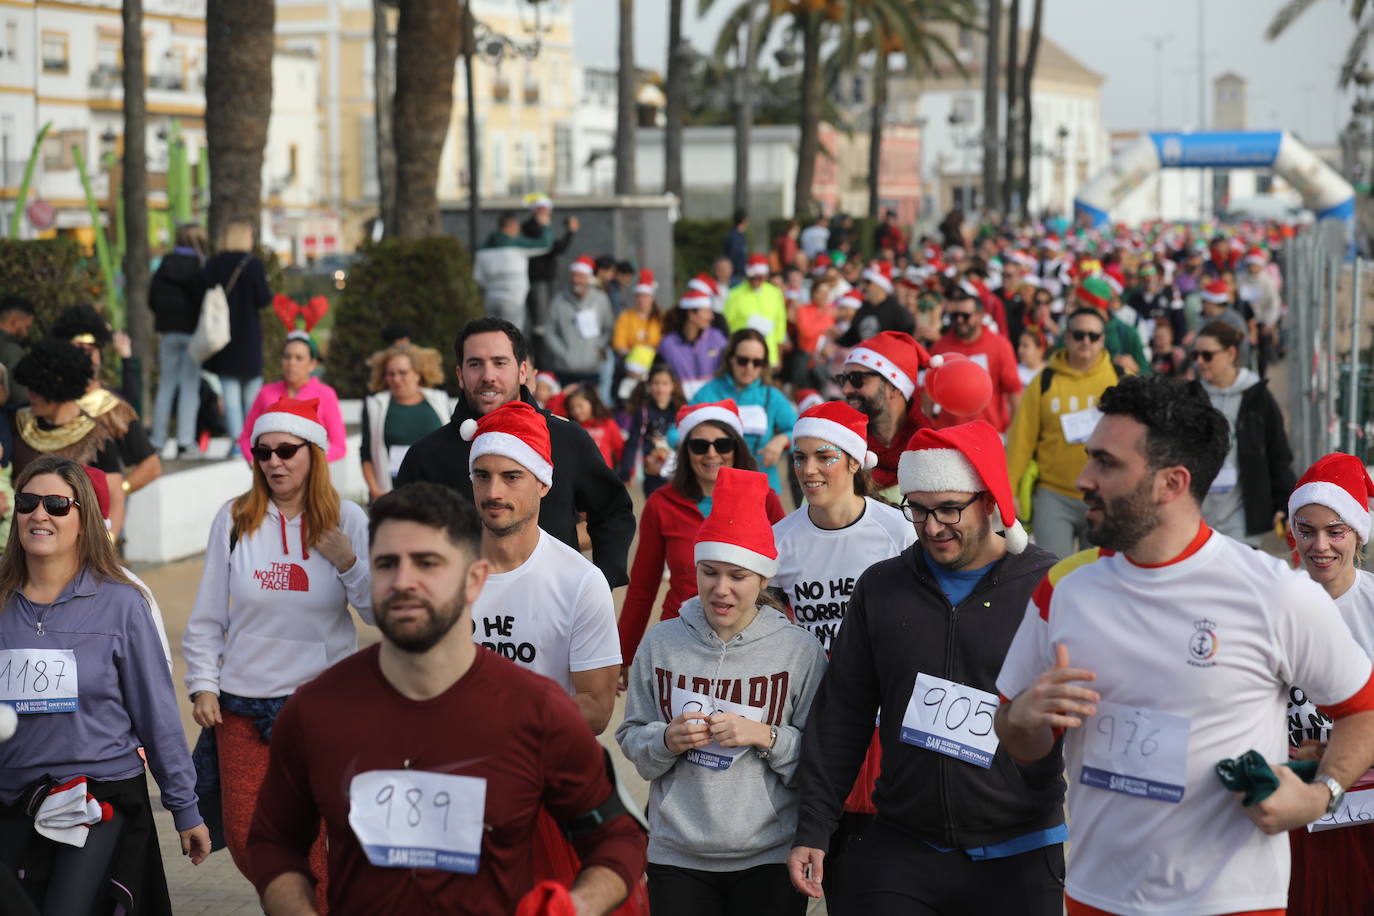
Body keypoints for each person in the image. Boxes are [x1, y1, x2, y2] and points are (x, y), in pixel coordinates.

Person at [994, 374, 1374, 916]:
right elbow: (1020, 740)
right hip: (1097, 899)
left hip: (1232, 902)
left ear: (1171, 483)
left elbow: (1363, 712)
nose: (1083, 479)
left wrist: (1320, 795)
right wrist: (1022, 719)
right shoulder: (1065, 589)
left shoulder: (1275, 593)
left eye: (1106, 463)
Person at [246, 482, 647, 915]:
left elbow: (619, 838)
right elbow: (273, 842)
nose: (404, 582)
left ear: (474, 580)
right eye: (386, 564)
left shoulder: (537, 711)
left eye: (427, 563)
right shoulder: (316, 710)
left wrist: (574, 906)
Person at [790, 421, 1064, 915]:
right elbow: (843, 712)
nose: (932, 527)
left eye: (949, 509)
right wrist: (814, 825)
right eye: (917, 509)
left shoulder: (1047, 587)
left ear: (989, 501)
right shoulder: (882, 586)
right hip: (905, 845)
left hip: (1020, 849)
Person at [183, 398, 373, 907]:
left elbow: (380, 612)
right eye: (263, 452)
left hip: (320, 708)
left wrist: (350, 562)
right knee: (248, 837)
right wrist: (203, 685)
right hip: (242, 706)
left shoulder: (347, 518)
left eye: (287, 450)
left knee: (315, 841)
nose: (274, 462)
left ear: (314, 453)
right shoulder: (234, 518)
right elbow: (207, 616)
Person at [0, 456, 211, 913]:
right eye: (28, 502)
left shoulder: (122, 603)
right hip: (13, 796)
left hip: (100, 796)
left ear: (84, 519)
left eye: (57, 505)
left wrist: (185, 809)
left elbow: (157, 717)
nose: (39, 514)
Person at [618, 467, 826, 916]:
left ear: (764, 579)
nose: (721, 589)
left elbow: (820, 759)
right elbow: (631, 736)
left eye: (738, 576)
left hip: (770, 854)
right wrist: (665, 739)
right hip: (677, 854)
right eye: (709, 572)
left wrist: (765, 735)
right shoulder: (661, 642)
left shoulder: (799, 651)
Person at [395, 317, 635, 587]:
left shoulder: (566, 439)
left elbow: (613, 511)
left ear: (523, 371)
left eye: (500, 362)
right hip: (463, 608)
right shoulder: (426, 455)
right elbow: (401, 536)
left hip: (554, 604)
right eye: (475, 364)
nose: (488, 376)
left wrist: (601, 582)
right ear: (460, 375)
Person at [462, 399, 621, 734]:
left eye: (511, 477)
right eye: (482, 476)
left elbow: (597, 708)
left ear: (543, 483)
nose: (493, 492)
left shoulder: (581, 581)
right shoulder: (441, 571)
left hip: (540, 761)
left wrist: (503, 716)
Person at [618, 401, 786, 681]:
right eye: (699, 446)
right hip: (680, 642)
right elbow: (642, 588)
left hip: (750, 643)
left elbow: (785, 579)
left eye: (722, 444)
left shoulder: (764, 498)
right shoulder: (661, 504)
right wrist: (623, 654)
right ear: (685, 451)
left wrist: (787, 641)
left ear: (736, 448)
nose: (711, 453)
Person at [1285, 454, 1374, 915]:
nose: (1319, 545)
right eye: (1307, 531)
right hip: (1295, 807)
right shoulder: (1273, 606)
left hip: (1366, 808)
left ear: (1357, 533)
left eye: (1335, 531)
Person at [771, 401, 914, 654]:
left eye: (824, 457)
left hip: (880, 674)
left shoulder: (899, 530)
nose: (808, 470)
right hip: (813, 677)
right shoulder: (779, 539)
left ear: (855, 462)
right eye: (800, 458)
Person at [1006, 308, 1121, 560]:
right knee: (1052, 571)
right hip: (1053, 495)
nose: (1086, 341)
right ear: (1067, 337)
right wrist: (1009, 491)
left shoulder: (1121, 379)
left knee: (1099, 574)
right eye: (1079, 335)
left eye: (1093, 335)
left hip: (1106, 495)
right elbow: (1021, 440)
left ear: (1102, 339)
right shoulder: (1044, 381)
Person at [11, 340, 128, 534]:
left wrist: (105, 544)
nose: (29, 394)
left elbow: (115, 499)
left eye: (37, 388)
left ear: (58, 386)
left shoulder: (96, 438)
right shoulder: (15, 422)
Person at [1193, 320, 1294, 546]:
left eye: (1207, 355)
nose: (1199, 362)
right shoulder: (1193, 397)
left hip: (1241, 521)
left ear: (1231, 353)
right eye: (1195, 355)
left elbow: (1277, 453)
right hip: (1197, 518)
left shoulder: (1257, 396)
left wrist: (1283, 503)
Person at [52, 304, 163, 502]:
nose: (84, 356)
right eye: (78, 349)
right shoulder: (48, 403)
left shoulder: (113, 408)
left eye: (90, 350)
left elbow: (151, 467)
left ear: (100, 354)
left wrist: (113, 495)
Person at [689, 329, 798, 496]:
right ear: (730, 359)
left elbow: (801, 432)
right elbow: (678, 430)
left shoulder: (771, 396)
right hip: (714, 489)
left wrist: (782, 439)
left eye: (757, 362)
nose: (749, 367)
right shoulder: (709, 392)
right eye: (743, 360)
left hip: (762, 489)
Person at [836, 331, 932, 503]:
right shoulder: (838, 448)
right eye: (844, 379)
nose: (846, 390)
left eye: (857, 379)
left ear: (894, 387)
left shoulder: (931, 450)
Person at [203, 219, 272, 455]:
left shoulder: (214, 264)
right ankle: (253, 441)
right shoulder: (253, 265)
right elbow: (264, 299)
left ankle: (236, 443)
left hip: (223, 337)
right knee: (252, 395)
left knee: (230, 396)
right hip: (249, 336)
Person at [238, 332, 348, 465]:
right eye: (287, 357)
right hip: (272, 473)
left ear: (312, 364)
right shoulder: (265, 393)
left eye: (299, 358)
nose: (291, 363)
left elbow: (339, 445)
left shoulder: (325, 394)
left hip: (312, 476)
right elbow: (246, 437)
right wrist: (255, 461)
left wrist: (311, 461)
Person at [360, 344, 449, 502]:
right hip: (392, 494)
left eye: (402, 373)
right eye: (390, 374)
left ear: (417, 373)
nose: (396, 379)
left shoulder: (440, 401)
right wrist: (375, 491)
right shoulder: (375, 405)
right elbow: (366, 454)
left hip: (437, 493)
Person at [149, 222, 208, 456]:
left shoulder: (164, 265)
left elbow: (152, 298)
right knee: (189, 388)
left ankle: (158, 441)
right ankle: (185, 442)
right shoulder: (200, 266)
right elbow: (203, 300)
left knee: (166, 386)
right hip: (192, 333)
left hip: (168, 332)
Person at [931, 285, 1022, 433]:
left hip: (989, 431)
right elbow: (928, 391)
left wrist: (1016, 430)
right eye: (954, 315)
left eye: (965, 316)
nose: (959, 320)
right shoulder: (941, 347)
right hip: (949, 432)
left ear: (980, 316)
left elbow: (1014, 390)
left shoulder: (1000, 346)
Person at [521, 197, 578, 366]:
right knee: (539, 322)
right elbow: (547, 246)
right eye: (542, 210)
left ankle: (546, 358)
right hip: (537, 279)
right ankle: (538, 360)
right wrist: (546, 227)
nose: (545, 214)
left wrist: (570, 232)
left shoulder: (545, 228)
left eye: (547, 211)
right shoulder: (529, 228)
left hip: (548, 278)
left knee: (550, 319)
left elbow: (557, 248)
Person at [473, 212, 552, 332]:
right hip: (513, 299)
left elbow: (478, 278)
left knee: (492, 334)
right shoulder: (516, 245)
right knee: (512, 335)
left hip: (491, 298)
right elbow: (545, 244)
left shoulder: (482, 249)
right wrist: (545, 225)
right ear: (513, 226)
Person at [546, 255, 615, 389]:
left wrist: (597, 348)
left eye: (580, 276)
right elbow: (549, 331)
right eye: (573, 275)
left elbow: (608, 328)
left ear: (588, 278)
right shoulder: (559, 301)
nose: (576, 280)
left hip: (591, 368)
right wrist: (563, 354)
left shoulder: (601, 300)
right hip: (565, 369)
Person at [619, 365, 685, 497]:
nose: (660, 388)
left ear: (673, 385)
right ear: (649, 385)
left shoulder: (681, 409)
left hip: (677, 468)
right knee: (654, 503)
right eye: (656, 383)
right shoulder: (643, 411)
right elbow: (632, 442)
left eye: (665, 383)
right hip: (652, 469)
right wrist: (626, 470)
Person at [657, 288, 727, 399]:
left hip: (713, 401)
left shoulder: (717, 338)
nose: (711, 316)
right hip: (681, 404)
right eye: (707, 312)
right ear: (691, 314)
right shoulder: (668, 344)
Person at [1073, 275, 1150, 376]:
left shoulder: (1127, 333)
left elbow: (1147, 373)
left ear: (1095, 304)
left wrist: (1136, 370)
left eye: (1079, 305)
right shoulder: (1073, 332)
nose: (1075, 309)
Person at [723, 255, 789, 368]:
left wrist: (779, 356)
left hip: (769, 355)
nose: (756, 281)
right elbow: (726, 324)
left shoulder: (774, 293)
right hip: (743, 356)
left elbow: (780, 326)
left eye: (760, 277)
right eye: (753, 277)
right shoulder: (735, 294)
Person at [837, 262, 916, 346]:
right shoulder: (863, 308)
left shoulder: (897, 311)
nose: (863, 286)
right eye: (863, 282)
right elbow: (852, 336)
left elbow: (908, 338)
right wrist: (836, 341)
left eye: (868, 282)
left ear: (880, 285)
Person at [565, 385, 624, 471]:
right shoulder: (571, 427)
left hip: (603, 474)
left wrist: (627, 472)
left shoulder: (607, 423)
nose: (576, 411)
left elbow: (619, 449)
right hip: (580, 474)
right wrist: (562, 394)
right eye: (572, 407)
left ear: (592, 402)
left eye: (580, 405)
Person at [612, 270, 663, 362]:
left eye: (645, 296)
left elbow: (665, 343)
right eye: (638, 296)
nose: (641, 300)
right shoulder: (625, 317)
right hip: (630, 361)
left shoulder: (660, 318)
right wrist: (636, 358)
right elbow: (619, 343)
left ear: (652, 298)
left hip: (656, 362)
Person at [0, 295, 34, 406]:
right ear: (15, 321)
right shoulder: (12, 351)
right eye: (27, 327)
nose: (26, 333)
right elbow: (21, 398)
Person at [724, 210, 749, 281]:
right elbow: (733, 256)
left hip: (738, 274)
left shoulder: (739, 236)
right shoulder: (735, 237)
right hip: (736, 275)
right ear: (744, 221)